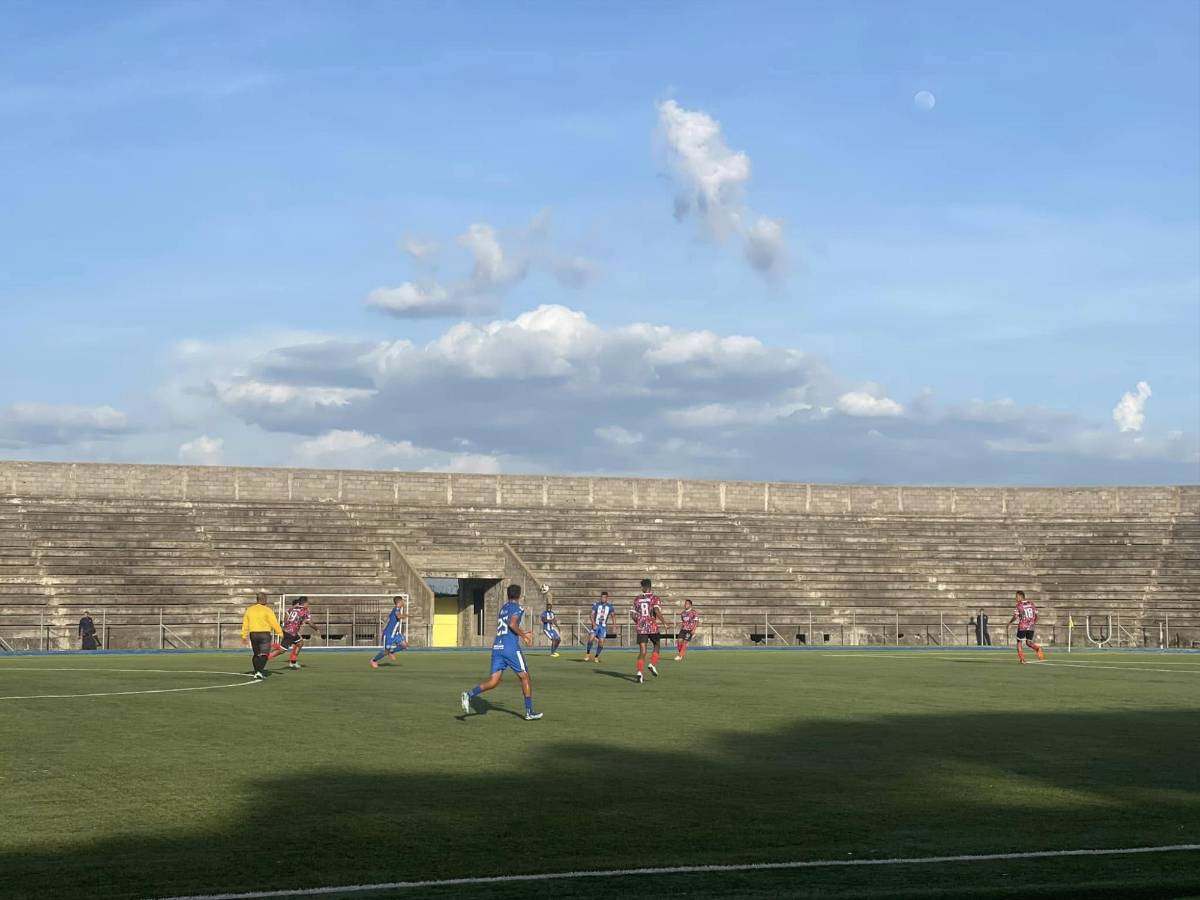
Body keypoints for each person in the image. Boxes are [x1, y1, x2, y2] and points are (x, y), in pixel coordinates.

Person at [461, 583, 543, 720]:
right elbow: (512, 624)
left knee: (493, 681)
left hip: (497, 647)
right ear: (520, 595)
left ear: (508, 595)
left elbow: (509, 623)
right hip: (510, 648)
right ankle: (529, 712)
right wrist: (524, 635)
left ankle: (469, 695)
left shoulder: (503, 608)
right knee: (525, 677)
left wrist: (522, 632)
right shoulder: (518, 608)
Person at [269, 596, 322, 669]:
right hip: (290, 632)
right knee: (282, 650)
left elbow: (287, 613)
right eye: (308, 603)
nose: (308, 604)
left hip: (290, 631)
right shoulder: (305, 610)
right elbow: (310, 623)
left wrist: (285, 624)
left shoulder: (294, 607)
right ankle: (265, 658)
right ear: (305, 603)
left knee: (300, 643)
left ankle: (293, 662)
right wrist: (317, 629)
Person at [241, 592, 283, 680]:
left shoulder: (249, 610)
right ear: (263, 599)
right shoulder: (267, 610)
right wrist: (280, 633)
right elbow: (274, 623)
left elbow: (245, 623)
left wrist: (244, 636)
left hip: (254, 634)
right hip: (264, 634)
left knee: (256, 654)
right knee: (264, 654)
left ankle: (257, 672)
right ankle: (259, 671)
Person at [632, 578, 666, 684]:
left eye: (642, 586)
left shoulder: (637, 599)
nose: (641, 588)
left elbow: (632, 614)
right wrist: (664, 622)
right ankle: (652, 664)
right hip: (652, 626)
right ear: (650, 587)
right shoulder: (655, 598)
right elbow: (656, 610)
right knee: (657, 644)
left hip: (641, 627)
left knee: (642, 651)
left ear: (645, 587)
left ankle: (639, 672)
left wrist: (639, 622)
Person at [370, 596, 409, 668]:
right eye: (403, 601)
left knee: (405, 645)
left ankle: (392, 652)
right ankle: (374, 660)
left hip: (395, 634)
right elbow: (398, 616)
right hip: (388, 634)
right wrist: (406, 615)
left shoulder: (397, 609)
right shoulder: (396, 609)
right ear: (399, 602)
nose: (404, 602)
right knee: (386, 651)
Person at [1008, 590, 1045, 665]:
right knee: (1028, 642)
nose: (1015, 598)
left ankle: (1022, 659)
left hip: (1022, 626)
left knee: (1019, 642)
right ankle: (1038, 648)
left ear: (1020, 596)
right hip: (1031, 626)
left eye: (1016, 596)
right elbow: (1038, 616)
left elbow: (1015, 616)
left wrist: (1009, 622)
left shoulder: (1019, 605)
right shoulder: (1031, 603)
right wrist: (1033, 623)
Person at [585, 591, 614, 662]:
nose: (602, 598)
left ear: (607, 598)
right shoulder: (596, 605)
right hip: (596, 625)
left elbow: (613, 616)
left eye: (604, 597)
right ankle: (588, 653)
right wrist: (593, 624)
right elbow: (591, 615)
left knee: (601, 642)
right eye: (602, 597)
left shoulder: (610, 606)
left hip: (603, 627)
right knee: (590, 639)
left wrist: (614, 625)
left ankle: (596, 656)